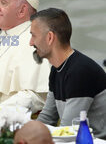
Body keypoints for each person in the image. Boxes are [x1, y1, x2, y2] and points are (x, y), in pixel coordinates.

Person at [30, 8, 106, 139]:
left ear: (49, 37)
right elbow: (47, 118)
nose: (30, 42)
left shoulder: (80, 72)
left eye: (33, 35)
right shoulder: (57, 69)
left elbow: (68, 131)